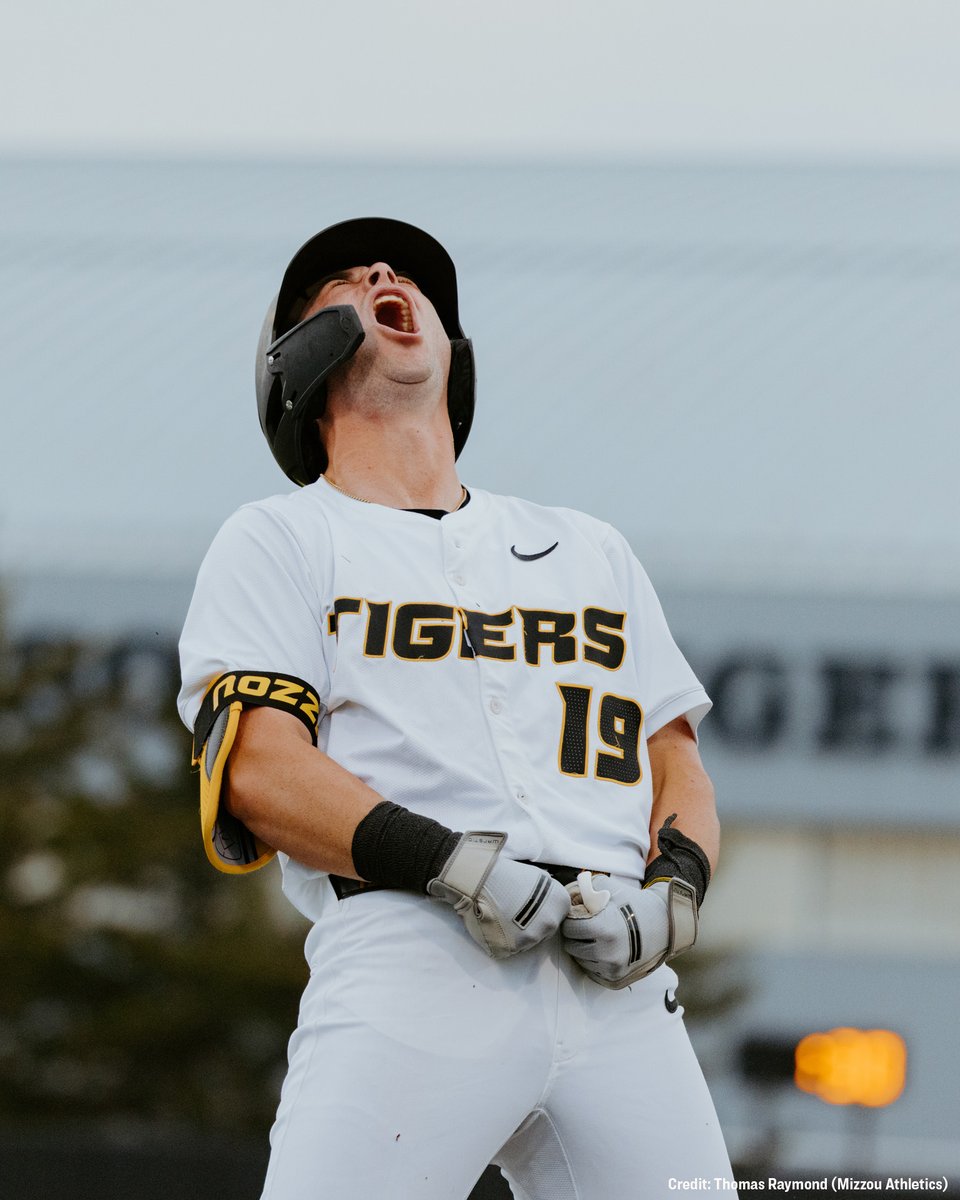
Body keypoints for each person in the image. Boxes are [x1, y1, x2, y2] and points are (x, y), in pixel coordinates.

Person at [178, 217, 735, 1199]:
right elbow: (260, 770)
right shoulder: (281, 537)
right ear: (299, 360)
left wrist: (675, 894)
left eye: (402, 274)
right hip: (415, 949)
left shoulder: (589, 546)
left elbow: (675, 761)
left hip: (617, 977)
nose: (384, 273)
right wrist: (449, 863)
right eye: (347, 281)